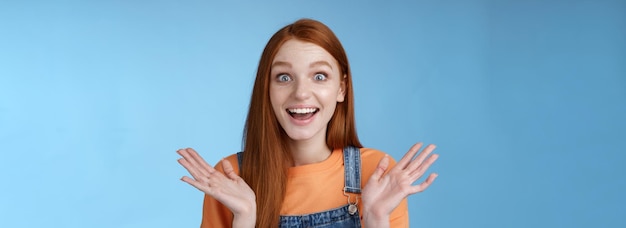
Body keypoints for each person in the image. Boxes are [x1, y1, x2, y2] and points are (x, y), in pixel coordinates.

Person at [177, 18, 439, 228]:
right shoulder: (231, 176)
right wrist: (245, 218)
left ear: (341, 89)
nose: (301, 92)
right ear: (266, 89)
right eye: (283, 77)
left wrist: (376, 219)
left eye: (320, 76)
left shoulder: (377, 173)